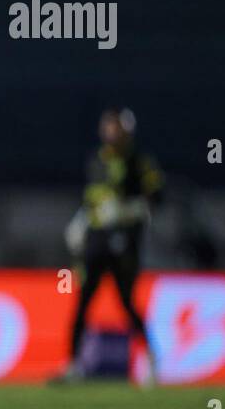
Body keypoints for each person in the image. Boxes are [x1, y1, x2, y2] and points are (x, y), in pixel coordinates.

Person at [64, 107, 163, 379]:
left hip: (124, 239)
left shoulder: (139, 162)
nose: (108, 132)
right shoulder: (97, 159)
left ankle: (151, 359)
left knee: (126, 301)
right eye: (106, 126)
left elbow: (156, 198)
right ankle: (73, 364)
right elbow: (91, 199)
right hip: (97, 238)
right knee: (83, 299)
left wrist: (128, 210)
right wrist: (80, 222)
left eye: (114, 126)